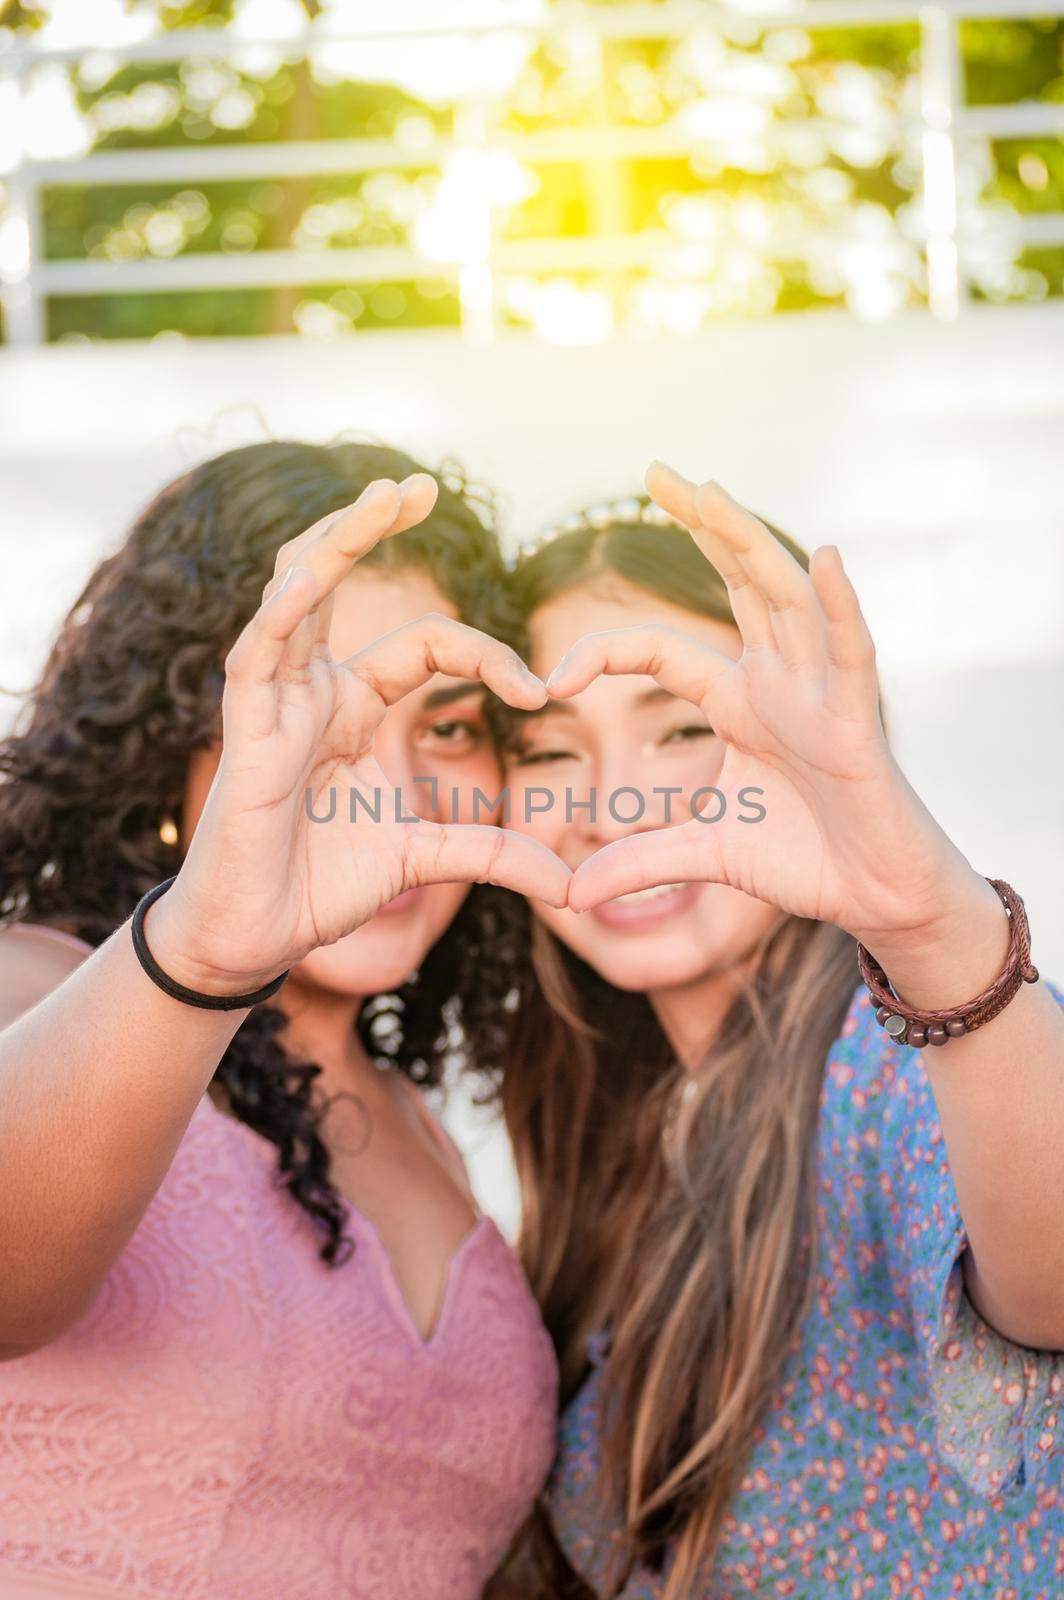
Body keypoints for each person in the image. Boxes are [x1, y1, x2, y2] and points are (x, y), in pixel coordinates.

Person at [0, 439, 564, 1600]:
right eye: (319, 710)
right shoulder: (33, 981)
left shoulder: (424, 1126)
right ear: (175, 736)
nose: (393, 789)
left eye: (450, 729)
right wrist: (201, 947)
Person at [489, 464, 1064, 1598]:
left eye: (684, 729)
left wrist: (932, 930)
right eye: (549, 751)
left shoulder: (906, 1052)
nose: (613, 804)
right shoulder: (599, 1118)